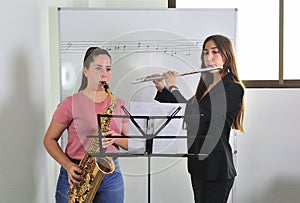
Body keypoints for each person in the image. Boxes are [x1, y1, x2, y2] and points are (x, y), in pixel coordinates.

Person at [153, 34, 245, 203]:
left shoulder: (233, 88)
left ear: (227, 55)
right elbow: (184, 109)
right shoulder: (206, 86)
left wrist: (173, 86)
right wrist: (162, 89)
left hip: (217, 168)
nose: (209, 58)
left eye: (215, 52)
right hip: (199, 164)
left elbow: (200, 114)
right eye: (205, 53)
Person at [44, 47, 129, 203]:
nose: (104, 73)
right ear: (85, 71)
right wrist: (68, 166)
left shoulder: (119, 104)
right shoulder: (70, 103)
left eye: (108, 69)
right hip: (76, 174)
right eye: (98, 68)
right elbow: (49, 140)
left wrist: (114, 138)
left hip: (111, 175)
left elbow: (131, 142)